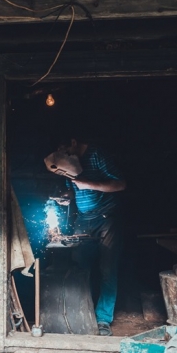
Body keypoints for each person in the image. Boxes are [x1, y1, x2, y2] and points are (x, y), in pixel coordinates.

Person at [44, 136, 126, 336]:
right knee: (80, 267)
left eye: (65, 149)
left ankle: (103, 320)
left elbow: (121, 184)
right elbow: (75, 189)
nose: (63, 154)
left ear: (73, 142)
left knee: (107, 269)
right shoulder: (67, 162)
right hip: (83, 219)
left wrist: (89, 184)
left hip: (106, 218)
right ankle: (82, 314)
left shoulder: (96, 155)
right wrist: (67, 197)